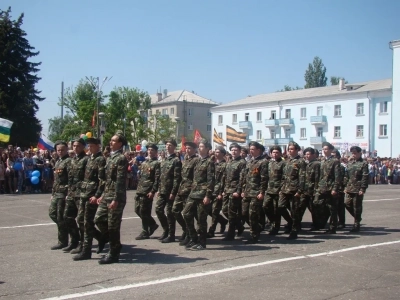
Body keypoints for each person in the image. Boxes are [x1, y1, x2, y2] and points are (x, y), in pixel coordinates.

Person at [94, 131, 128, 264]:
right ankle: (113, 242)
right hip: (107, 194)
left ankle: (114, 253)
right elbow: (106, 180)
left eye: (114, 141)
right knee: (99, 219)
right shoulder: (110, 158)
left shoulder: (121, 158)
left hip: (116, 196)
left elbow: (120, 181)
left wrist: (116, 199)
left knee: (113, 226)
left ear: (120, 144)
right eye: (111, 140)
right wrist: (101, 195)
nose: (111, 142)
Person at [73, 137, 107, 261]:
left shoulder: (101, 160)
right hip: (84, 194)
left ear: (98, 146)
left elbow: (102, 180)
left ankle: (86, 251)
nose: (90, 148)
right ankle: (100, 237)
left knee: (87, 222)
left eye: (92, 145)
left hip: (92, 195)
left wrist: (97, 195)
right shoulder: (89, 159)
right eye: (89, 146)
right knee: (80, 220)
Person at [182, 139, 215, 250]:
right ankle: (193, 238)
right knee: (186, 213)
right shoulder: (197, 161)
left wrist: (208, 196)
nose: (199, 148)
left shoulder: (209, 162)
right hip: (193, 192)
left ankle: (202, 242)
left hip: (202, 194)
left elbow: (211, 180)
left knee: (201, 220)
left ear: (207, 149)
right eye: (199, 146)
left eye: (201, 146)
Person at [62, 138, 89, 253]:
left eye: (78, 146)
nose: (75, 148)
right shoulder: (72, 160)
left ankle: (83, 244)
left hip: (81, 194)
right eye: (73, 146)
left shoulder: (86, 160)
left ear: (83, 147)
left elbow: (89, 178)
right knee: (67, 217)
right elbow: (70, 178)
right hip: (72, 193)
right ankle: (74, 240)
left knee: (82, 220)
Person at [240, 141, 269, 244]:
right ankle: (258, 226)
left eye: (253, 149)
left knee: (253, 214)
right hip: (247, 192)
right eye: (250, 149)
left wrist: (262, 192)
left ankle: (254, 236)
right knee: (244, 213)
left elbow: (264, 179)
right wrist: (243, 190)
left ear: (259, 150)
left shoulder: (263, 162)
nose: (250, 151)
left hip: (256, 193)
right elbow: (245, 177)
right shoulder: (249, 162)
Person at [172, 141, 199, 246]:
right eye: (186, 148)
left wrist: (193, 190)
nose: (187, 150)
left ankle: (190, 235)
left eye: (189, 148)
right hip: (181, 190)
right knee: (175, 210)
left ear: (194, 149)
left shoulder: (196, 160)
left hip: (189, 191)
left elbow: (195, 178)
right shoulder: (185, 160)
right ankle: (186, 230)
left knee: (188, 214)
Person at [155, 138, 182, 243]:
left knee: (170, 213)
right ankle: (166, 230)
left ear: (174, 147)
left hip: (170, 191)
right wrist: (158, 189)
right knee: (158, 210)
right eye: (166, 145)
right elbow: (161, 176)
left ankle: (171, 234)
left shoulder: (176, 160)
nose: (167, 146)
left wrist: (173, 192)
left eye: (170, 145)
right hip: (162, 190)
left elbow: (177, 178)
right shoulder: (165, 160)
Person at [279, 141, 306, 240]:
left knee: (295, 211)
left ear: (297, 150)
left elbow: (302, 177)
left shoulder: (300, 161)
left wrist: (300, 191)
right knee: (280, 207)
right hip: (285, 189)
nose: (290, 151)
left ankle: (294, 231)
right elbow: (283, 176)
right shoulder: (287, 161)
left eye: (292, 149)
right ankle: (291, 222)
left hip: (294, 190)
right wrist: (281, 187)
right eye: (289, 149)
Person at [313, 142, 342, 234]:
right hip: (321, 187)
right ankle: (321, 223)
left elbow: (337, 176)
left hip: (330, 187)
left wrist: (335, 189)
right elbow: (318, 176)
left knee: (332, 208)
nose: (324, 151)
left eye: (326, 149)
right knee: (318, 205)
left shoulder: (335, 161)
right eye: (323, 149)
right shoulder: (321, 161)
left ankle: (333, 227)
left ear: (330, 150)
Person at [134, 143, 161, 240]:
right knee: (137, 210)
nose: (150, 152)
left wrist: (153, 191)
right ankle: (152, 224)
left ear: (156, 152)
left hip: (148, 191)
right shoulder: (144, 163)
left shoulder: (157, 163)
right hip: (140, 190)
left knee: (144, 211)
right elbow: (140, 177)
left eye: (152, 150)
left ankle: (145, 231)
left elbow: (157, 179)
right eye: (149, 150)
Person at [49, 141, 72, 250]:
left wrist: (69, 193)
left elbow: (71, 179)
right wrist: (53, 193)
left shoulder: (69, 162)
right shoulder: (58, 161)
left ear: (67, 149)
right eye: (58, 150)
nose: (60, 152)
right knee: (53, 214)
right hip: (57, 192)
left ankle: (63, 241)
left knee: (61, 216)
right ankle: (65, 234)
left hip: (64, 193)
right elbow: (56, 180)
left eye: (62, 150)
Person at [222, 143, 246, 241]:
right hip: (227, 190)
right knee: (224, 210)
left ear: (240, 151)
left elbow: (242, 178)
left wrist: (239, 191)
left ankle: (230, 234)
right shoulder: (229, 161)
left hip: (234, 191)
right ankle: (239, 226)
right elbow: (225, 177)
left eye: (236, 150)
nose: (234, 152)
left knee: (231, 212)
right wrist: (223, 190)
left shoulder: (242, 162)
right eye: (232, 150)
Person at [264, 146, 287, 235]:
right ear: (271, 153)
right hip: (269, 189)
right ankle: (272, 222)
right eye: (273, 152)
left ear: (280, 153)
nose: (275, 154)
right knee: (265, 206)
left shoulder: (283, 163)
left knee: (277, 209)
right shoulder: (269, 163)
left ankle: (276, 227)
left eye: (277, 152)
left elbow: (285, 177)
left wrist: (282, 188)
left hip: (278, 190)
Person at [344, 146, 369, 232]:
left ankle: (356, 224)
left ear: (359, 153)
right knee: (346, 204)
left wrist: (363, 188)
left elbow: (365, 177)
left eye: (355, 153)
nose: (353, 155)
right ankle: (358, 217)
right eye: (352, 153)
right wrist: (345, 186)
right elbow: (346, 176)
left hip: (358, 189)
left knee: (356, 207)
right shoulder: (350, 163)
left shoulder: (363, 163)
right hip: (349, 187)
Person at [207, 146, 228, 238]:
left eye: (218, 152)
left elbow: (224, 180)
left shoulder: (225, 165)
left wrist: (221, 192)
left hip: (218, 191)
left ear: (223, 154)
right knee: (208, 210)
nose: (216, 154)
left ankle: (211, 231)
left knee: (215, 211)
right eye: (215, 152)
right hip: (211, 190)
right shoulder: (213, 164)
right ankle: (223, 221)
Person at [299, 147, 320, 230]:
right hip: (305, 190)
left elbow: (317, 178)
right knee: (300, 207)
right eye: (306, 154)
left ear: (313, 155)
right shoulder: (305, 164)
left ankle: (316, 224)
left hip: (312, 190)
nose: (307, 156)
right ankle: (297, 224)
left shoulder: (316, 164)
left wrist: (316, 190)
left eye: (308, 154)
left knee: (313, 208)